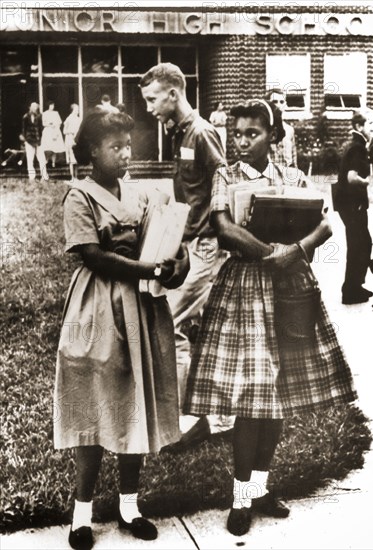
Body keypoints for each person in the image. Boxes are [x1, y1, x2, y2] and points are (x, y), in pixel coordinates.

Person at [183, 99, 358, 537]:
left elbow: (324, 223)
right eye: (236, 134)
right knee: (252, 398)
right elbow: (223, 227)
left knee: (276, 399)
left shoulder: (293, 177)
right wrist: (269, 254)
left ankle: (260, 488)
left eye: (252, 133)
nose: (241, 141)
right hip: (245, 291)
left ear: (273, 136)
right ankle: (240, 497)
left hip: (291, 292)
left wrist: (295, 252)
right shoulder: (225, 175)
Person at [53, 108, 190, 550]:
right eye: (115, 147)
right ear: (92, 150)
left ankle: (130, 505)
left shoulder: (142, 194)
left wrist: (174, 264)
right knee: (95, 406)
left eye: (129, 145)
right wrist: (148, 266)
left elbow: (165, 241)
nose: (126, 154)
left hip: (142, 307)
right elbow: (93, 256)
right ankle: (82, 514)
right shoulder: (79, 195)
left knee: (136, 402)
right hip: (99, 306)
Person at [140, 62, 228, 444]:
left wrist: (217, 238)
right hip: (190, 246)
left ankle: (186, 422)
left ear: (173, 94)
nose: (149, 108)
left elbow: (223, 184)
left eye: (152, 99)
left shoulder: (202, 132)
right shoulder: (181, 134)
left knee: (170, 322)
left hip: (206, 246)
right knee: (207, 331)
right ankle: (223, 420)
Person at [334, 109, 373, 305]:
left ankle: (354, 286)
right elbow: (352, 178)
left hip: (347, 203)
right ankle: (351, 290)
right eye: (370, 124)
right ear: (359, 126)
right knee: (360, 244)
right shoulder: (358, 147)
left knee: (361, 243)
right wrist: (367, 183)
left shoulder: (354, 145)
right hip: (353, 204)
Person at [265, 88, 297, 167]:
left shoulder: (289, 130)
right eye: (275, 102)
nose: (278, 105)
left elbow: (294, 158)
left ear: (285, 105)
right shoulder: (263, 129)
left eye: (281, 102)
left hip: (287, 174)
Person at [21, 102, 49, 181]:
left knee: (42, 159)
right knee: (30, 159)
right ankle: (32, 177)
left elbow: (41, 128)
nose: (34, 109)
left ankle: (44, 176)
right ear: (30, 108)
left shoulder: (39, 116)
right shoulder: (25, 117)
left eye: (36, 108)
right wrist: (26, 139)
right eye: (33, 107)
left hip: (37, 140)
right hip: (29, 141)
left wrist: (40, 139)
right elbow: (24, 129)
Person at [41, 101, 65, 168]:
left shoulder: (56, 113)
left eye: (53, 105)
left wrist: (56, 128)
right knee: (48, 147)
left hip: (55, 130)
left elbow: (59, 122)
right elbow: (43, 123)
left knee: (55, 148)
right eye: (51, 105)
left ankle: (53, 162)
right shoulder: (44, 113)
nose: (52, 107)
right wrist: (49, 124)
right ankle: (46, 160)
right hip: (48, 131)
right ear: (48, 106)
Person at [63, 103, 81, 181]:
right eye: (76, 109)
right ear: (73, 110)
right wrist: (71, 132)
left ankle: (76, 176)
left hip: (76, 139)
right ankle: (72, 177)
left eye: (78, 109)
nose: (77, 111)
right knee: (71, 159)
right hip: (70, 139)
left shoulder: (78, 119)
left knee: (76, 159)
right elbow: (64, 131)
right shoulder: (68, 119)